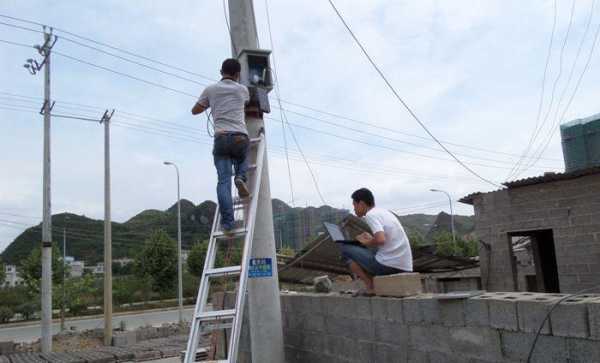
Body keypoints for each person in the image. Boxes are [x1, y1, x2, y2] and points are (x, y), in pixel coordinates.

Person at [191, 58, 251, 234]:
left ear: (220, 72)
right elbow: (246, 102)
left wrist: (209, 104)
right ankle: (240, 176)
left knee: (223, 182)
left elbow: (195, 110)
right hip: (240, 136)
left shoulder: (211, 89)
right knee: (243, 156)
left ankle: (227, 223)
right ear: (238, 74)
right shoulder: (243, 90)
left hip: (221, 138)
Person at [342, 188, 413, 296]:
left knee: (345, 249)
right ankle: (372, 283)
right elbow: (384, 238)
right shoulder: (383, 212)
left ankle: (370, 286)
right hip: (405, 266)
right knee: (360, 249)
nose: (354, 209)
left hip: (389, 266)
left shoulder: (371, 215)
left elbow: (380, 239)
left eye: (354, 205)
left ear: (361, 203)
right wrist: (370, 238)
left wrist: (366, 242)